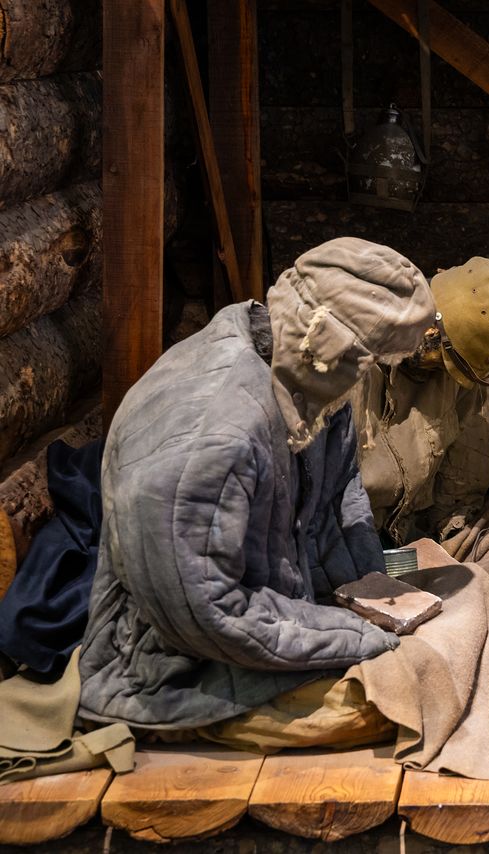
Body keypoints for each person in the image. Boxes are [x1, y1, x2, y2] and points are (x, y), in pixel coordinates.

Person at [78, 238, 436, 731]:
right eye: (369, 362)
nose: (368, 379)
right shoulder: (214, 434)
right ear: (329, 342)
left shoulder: (309, 378)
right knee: (410, 701)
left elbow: (338, 502)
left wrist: (370, 599)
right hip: (176, 667)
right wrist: (356, 635)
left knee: (451, 643)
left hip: (284, 619)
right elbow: (205, 611)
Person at [350, 258, 489, 546]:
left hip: (407, 537)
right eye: (436, 346)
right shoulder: (345, 358)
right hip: (339, 538)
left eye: (450, 363)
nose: (435, 362)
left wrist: (452, 535)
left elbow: (462, 482)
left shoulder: (458, 378)